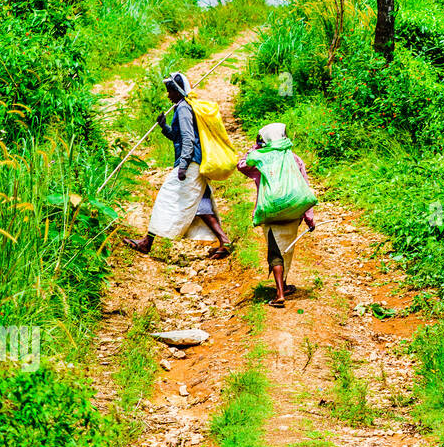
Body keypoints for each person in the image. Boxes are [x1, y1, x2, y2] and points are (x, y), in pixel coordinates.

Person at [122, 72, 231, 259]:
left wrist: (182, 166)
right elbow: (179, 137)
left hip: (189, 163)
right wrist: (164, 127)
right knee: (200, 203)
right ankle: (225, 241)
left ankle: (147, 242)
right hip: (194, 162)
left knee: (166, 197)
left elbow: (188, 139)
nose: (167, 95)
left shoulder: (182, 108)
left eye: (169, 91)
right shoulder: (182, 107)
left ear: (177, 91)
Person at [237, 122, 316, 307]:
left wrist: (257, 147)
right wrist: (309, 217)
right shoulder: (294, 159)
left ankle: (280, 293)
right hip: (293, 211)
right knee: (286, 248)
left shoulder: (261, 158)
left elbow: (241, 165)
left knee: (275, 250)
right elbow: (304, 187)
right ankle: (284, 285)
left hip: (271, 211)